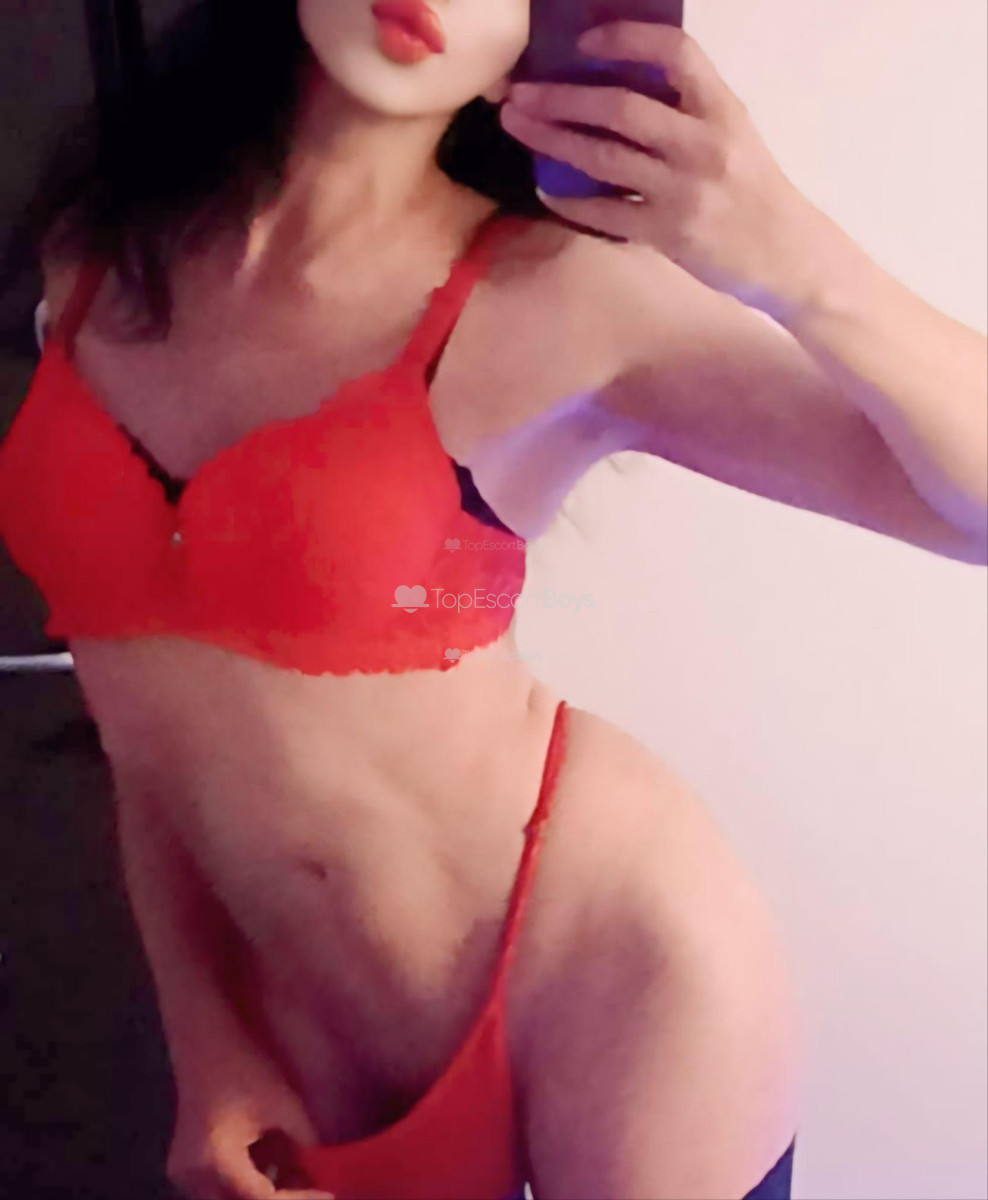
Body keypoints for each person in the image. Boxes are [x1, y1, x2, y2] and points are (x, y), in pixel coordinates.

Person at [2, 1, 985, 1198]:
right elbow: (146, 732)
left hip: (603, 979)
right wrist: (208, 1042)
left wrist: (792, 258)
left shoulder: (561, 296)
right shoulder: (99, 254)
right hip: (310, 1022)